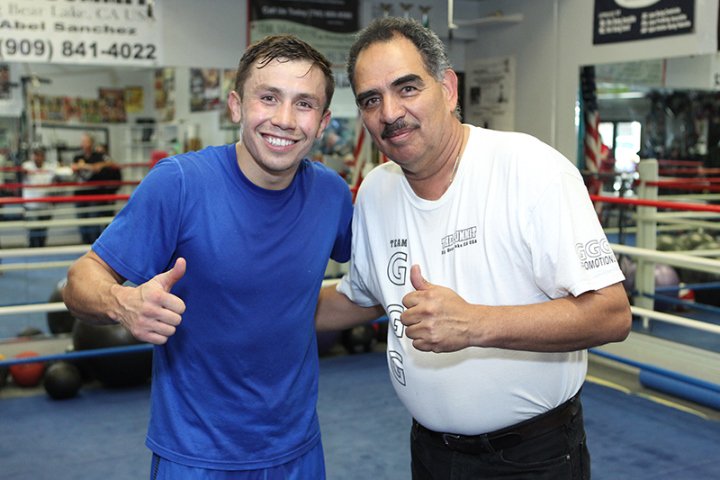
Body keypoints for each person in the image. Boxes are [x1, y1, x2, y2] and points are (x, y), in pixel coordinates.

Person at [315, 17, 632, 480]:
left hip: (531, 456)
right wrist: (240, 304)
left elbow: (612, 313)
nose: (389, 112)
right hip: (430, 450)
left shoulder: (529, 169)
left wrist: (475, 324)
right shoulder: (377, 191)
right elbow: (360, 296)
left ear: (447, 88)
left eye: (407, 88)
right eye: (371, 99)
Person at [62, 35, 352, 479]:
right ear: (236, 105)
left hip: (298, 451)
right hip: (197, 456)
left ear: (324, 120)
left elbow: (369, 278)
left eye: (304, 104)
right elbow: (82, 276)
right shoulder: (179, 184)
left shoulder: (331, 194)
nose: (284, 119)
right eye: (268, 98)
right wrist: (122, 303)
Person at [72, 133, 120, 244]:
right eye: (83, 142)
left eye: (86, 142)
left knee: (94, 221)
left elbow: (110, 163)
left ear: (91, 143)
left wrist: (88, 166)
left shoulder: (98, 156)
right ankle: (85, 244)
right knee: (82, 222)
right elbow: (74, 167)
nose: (84, 144)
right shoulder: (78, 156)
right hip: (80, 194)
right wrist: (91, 167)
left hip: (95, 194)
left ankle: (94, 248)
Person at [22, 146, 57, 247]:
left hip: (45, 206)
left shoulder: (49, 167)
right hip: (31, 206)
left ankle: (42, 252)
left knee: (43, 231)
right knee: (33, 232)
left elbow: (59, 174)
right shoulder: (26, 166)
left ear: (43, 156)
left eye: (40, 155)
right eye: (36, 155)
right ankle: (33, 252)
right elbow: (20, 174)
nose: (38, 157)